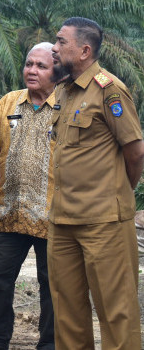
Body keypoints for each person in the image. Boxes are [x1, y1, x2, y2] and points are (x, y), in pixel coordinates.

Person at [49, 17, 144, 350]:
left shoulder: (110, 90)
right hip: (62, 222)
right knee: (68, 313)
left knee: (116, 313)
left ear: (84, 50)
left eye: (61, 42)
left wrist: (117, 195)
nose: (54, 48)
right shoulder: (63, 90)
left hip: (104, 223)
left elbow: (135, 153)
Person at [0, 43, 57, 350]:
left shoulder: (69, 106)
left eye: (41, 66)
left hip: (55, 218)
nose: (31, 70)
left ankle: (50, 343)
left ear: (56, 71)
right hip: (7, 213)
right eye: (28, 64)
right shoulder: (9, 102)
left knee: (55, 287)